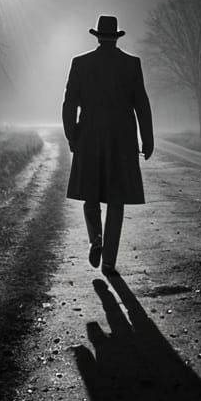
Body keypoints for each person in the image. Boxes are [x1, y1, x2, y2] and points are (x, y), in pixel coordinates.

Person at [62, 14, 154, 275]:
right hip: (122, 139)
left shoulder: (80, 64)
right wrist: (147, 139)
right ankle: (110, 260)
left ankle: (95, 238)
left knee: (90, 195)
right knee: (117, 199)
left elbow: (69, 104)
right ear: (115, 38)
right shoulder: (131, 64)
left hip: (89, 136)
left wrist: (72, 135)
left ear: (98, 36)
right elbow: (141, 105)